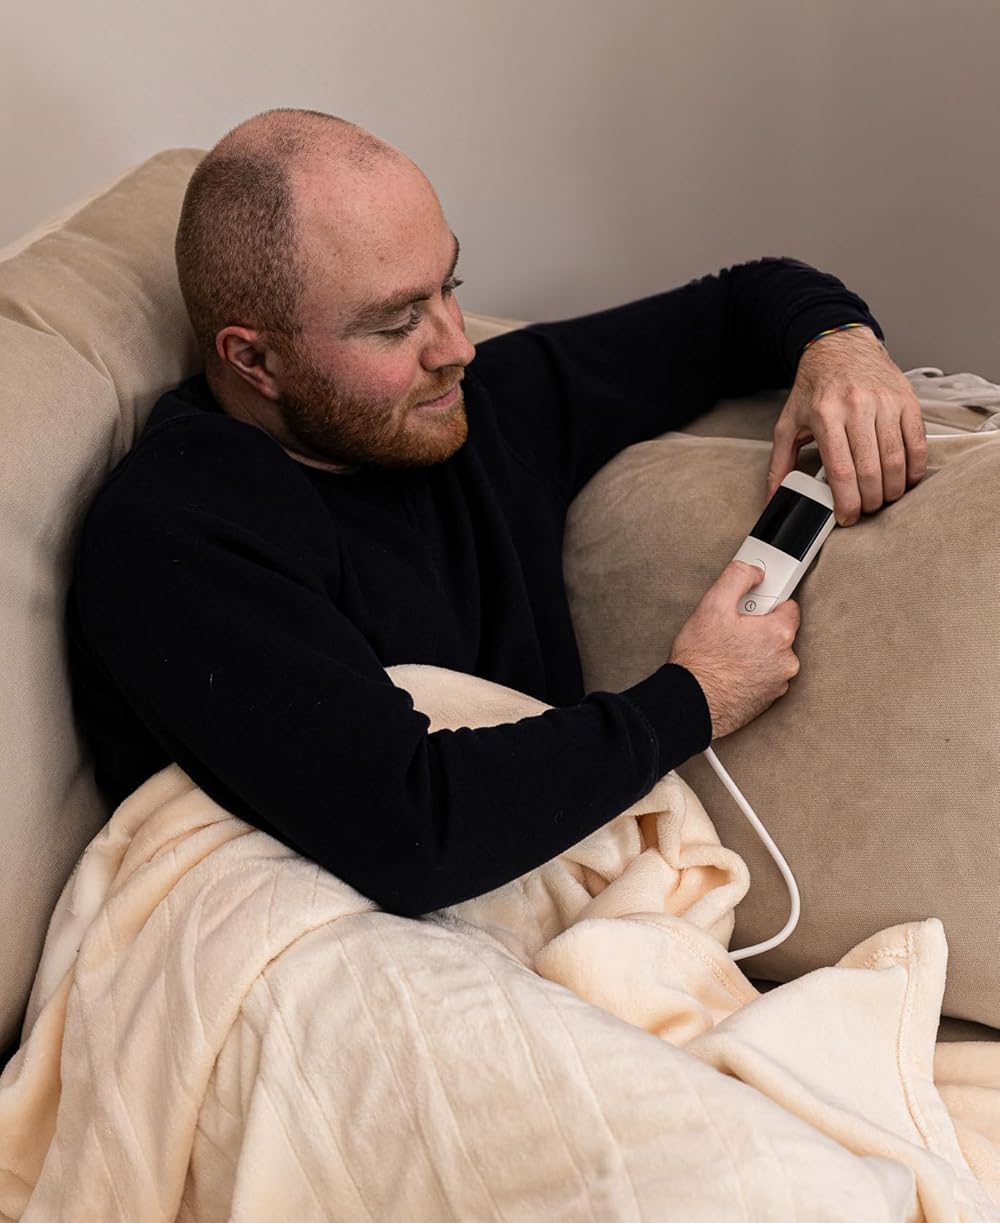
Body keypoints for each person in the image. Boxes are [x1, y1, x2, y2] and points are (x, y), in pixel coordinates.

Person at [66, 108, 928, 916]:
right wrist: (698, 693)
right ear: (254, 359)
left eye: (450, 285)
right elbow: (412, 833)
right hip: (284, 931)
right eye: (397, 324)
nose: (456, 346)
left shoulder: (479, 414)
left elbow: (739, 306)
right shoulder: (178, 529)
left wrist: (841, 348)